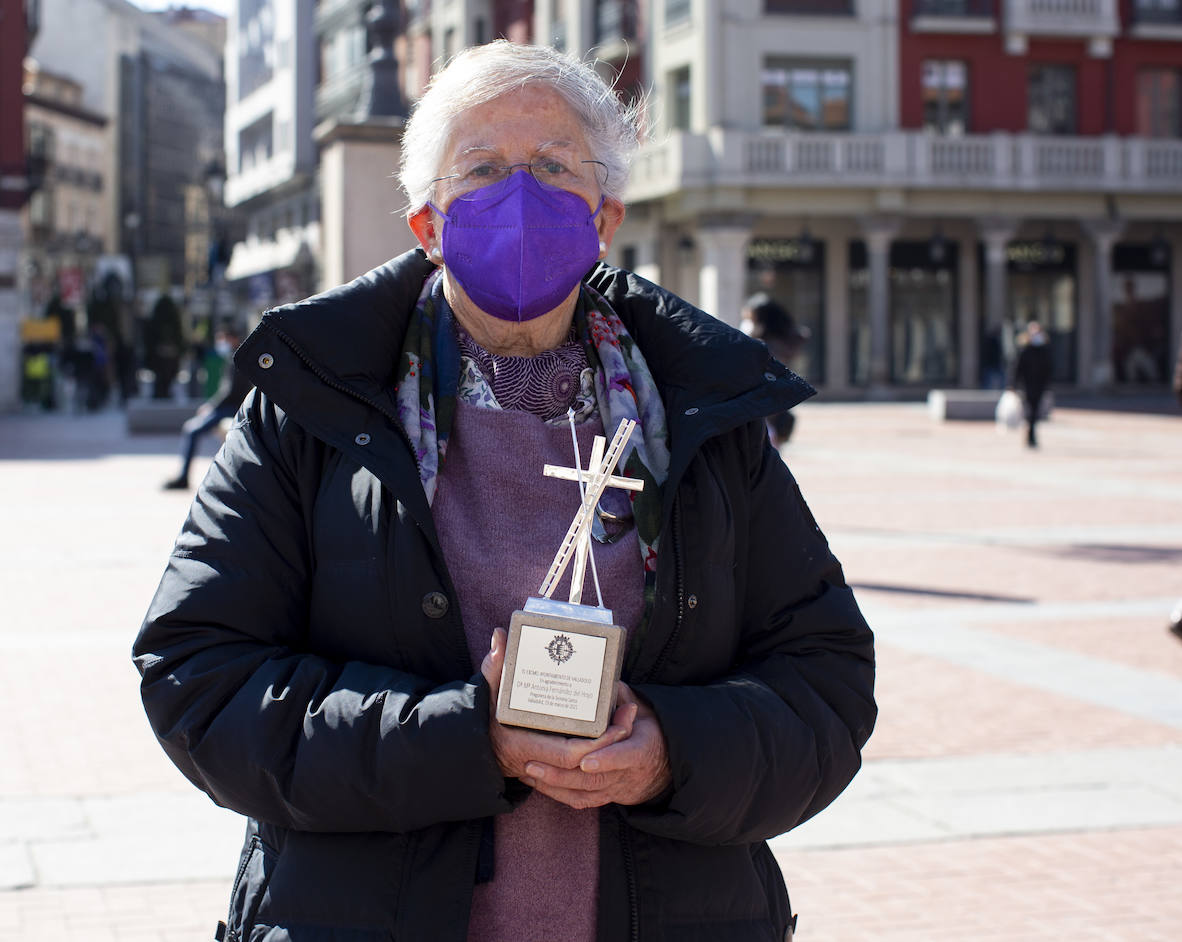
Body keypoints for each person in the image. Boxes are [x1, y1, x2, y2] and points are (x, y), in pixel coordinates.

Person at [133, 42, 876, 942]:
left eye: (553, 167)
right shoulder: (316, 406)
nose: (518, 196)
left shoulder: (702, 415)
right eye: (481, 169)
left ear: (603, 217)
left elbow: (826, 680)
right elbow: (200, 678)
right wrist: (460, 741)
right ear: (428, 224)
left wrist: (674, 753)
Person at [162, 325, 252, 490]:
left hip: (232, 408)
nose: (221, 343)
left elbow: (231, 392)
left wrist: (211, 407)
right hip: (228, 407)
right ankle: (183, 476)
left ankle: (183, 477)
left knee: (192, 430)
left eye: (223, 339)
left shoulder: (238, 358)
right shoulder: (235, 357)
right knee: (191, 429)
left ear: (233, 339)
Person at [740, 293, 809, 446]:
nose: (747, 323)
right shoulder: (786, 341)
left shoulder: (767, 346)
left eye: (751, 319)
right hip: (773, 409)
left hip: (763, 409)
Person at [1012, 320, 1053, 448]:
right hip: (1027, 385)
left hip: (1039, 385)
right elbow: (1018, 368)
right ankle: (1031, 435)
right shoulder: (1026, 350)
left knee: (1035, 410)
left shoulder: (1044, 350)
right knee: (1030, 410)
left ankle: (1031, 434)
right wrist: (1014, 384)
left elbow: (1049, 368)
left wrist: (1047, 383)